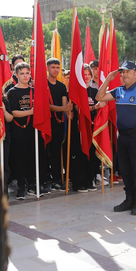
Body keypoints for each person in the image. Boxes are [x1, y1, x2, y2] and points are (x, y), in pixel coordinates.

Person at [97, 61, 136, 215]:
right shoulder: (118, 91)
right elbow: (99, 96)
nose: (124, 74)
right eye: (122, 72)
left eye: (128, 72)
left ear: (135, 74)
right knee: (125, 170)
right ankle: (129, 199)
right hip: (122, 136)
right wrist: (108, 79)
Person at [70, 64, 105, 192]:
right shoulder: (75, 92)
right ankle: (79, 183)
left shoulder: (95, 92)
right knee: (80, 155)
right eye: (84, 74)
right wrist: (95, 107)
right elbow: (80, 110)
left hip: (93, 128)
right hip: (80, 128)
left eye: (88, 74)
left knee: (92, 154)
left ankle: (89, 181)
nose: (86, 77)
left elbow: (101, 109)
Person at [7, 62, 38, 200]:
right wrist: (31, 112)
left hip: (33, 129)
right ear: (16, 75)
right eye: (22, 73)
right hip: (18, 130)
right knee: (19, 158)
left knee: (32, 157)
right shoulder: (12, 92)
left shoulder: (33, 90)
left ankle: (31, 183)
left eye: (27, 73)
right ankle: (20, 185)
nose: (25, 76)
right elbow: (13, 113)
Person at [46, 58, 71, 190]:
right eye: (53, 67)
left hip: (59, 123)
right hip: (46, 123)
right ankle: (44, 179)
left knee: (56, 152)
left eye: (57, 67)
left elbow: (64, 103)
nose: (55, 70)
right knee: (45, 152)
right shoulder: (43, 84)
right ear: (47, 68)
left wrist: (67, 112)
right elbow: (46, 106)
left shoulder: (61, 86)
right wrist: (64, 109)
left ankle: (56, 179)